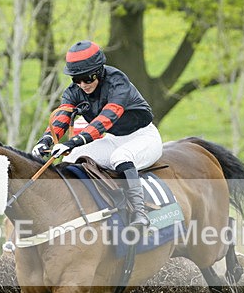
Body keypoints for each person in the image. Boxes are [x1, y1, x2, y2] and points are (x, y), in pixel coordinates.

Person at [32, 40, 163, 228]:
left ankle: (140, 213)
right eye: (76, 79)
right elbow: (62, 116)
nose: (82, 84)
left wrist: (72, 142)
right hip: (113, 139)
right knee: (73, 158)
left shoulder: (118, 83)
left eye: (87, 78)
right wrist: (45, 140)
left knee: (121, 156)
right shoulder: (74, 91)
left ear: (100, 71)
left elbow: (105, 119)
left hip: (143, 137)